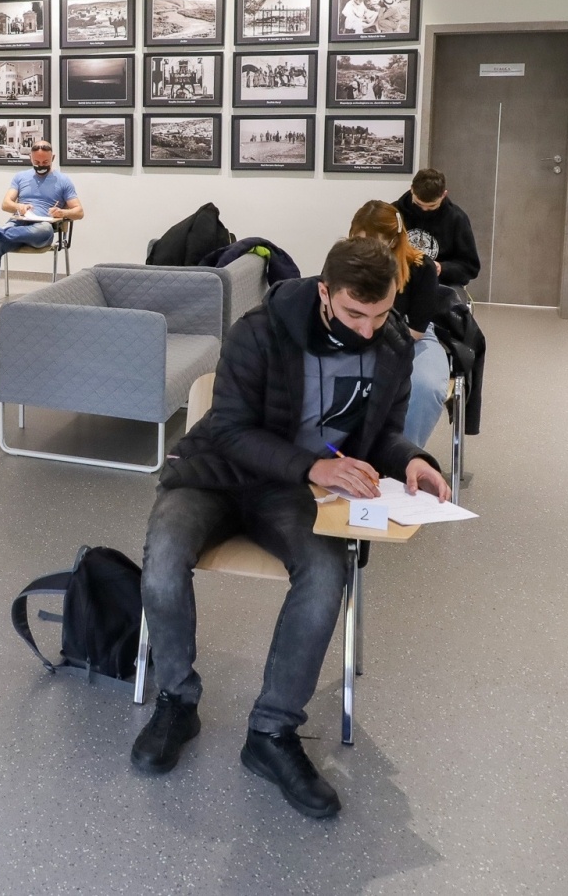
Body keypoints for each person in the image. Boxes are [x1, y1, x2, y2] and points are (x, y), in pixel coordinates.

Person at [131, 237, 448, 818]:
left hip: (295, 493)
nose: (369, 329)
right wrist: (316, 464)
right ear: (326, 293)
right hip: (215, 475)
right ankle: (177, 700)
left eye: (381, 315)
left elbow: (382, 435)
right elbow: (227, 428)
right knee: (165, 555)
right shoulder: (260, 329)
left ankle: (271, 734)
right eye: (356, 313)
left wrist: (412, 461)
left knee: (327, 575)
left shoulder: (394, 344)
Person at [350, 200, 448, 447]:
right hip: (356, 335)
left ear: (393, 240)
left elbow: (416, 329)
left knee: (425, 387)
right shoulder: (346, 263)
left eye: (373, 242)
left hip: (412, 338)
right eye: (359, 241)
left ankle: (403, 456)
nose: (365, 250)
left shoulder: (420, 267)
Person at [0, 139, 84, 273]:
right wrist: (19, 206)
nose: (41, 166)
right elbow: (5, 204)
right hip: (18, 223)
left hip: (40, 230)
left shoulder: (63, 180)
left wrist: (63, 213)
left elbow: (79, 212)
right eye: (37, 162)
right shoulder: (20, 177)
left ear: (53, 158)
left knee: (45, 230)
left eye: (45, 162)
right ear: (30, 158)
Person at [393, 168, 481, 289]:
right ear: (412, 189)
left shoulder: (457, 219)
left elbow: (470, 267)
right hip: (401, 282)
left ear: (444, 194)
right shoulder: (394, 213)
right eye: (418, 204)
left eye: (431, 206)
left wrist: (442, 268)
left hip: (442, 284)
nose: (424, 210)